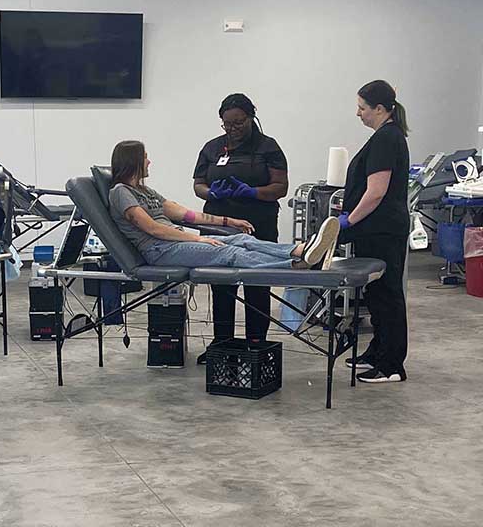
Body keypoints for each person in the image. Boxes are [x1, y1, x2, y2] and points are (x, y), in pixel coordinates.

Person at [110, 140, 338, 274]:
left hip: (174, 243)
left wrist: (229, 221)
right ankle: (296, 265)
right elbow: (153, 229)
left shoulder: (146, 191)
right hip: (159, 250)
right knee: (229, 252)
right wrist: (197, 239)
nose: (149, 162)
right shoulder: (121, 192)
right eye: (145, 158)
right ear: (133, 161)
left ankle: (301, 250)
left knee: (242, 239)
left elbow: (187, 215)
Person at [192, 94, 288, 361]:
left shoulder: (268, 147)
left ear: (251, 117)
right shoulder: (212, 148)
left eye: (239, 123)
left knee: (257, 285)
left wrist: (253, 192)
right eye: (227, 124)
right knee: (221, 286)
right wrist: (211, 193)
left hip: (258, 225)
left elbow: (281, 187)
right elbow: (198, 184)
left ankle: (256, 344)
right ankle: (222, 344)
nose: (233, 129)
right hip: (218, 226)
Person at [340, 80, 410, 383]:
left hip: (383, 230)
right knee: (376, 293)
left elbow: (376, 192)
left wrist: (349, 221)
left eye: (362, 108)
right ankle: (378, 350)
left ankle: (391, 365)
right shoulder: (385, 136)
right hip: (375, 230)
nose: (358, 113)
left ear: (379, 109)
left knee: (387, 293)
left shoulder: (386, 139)